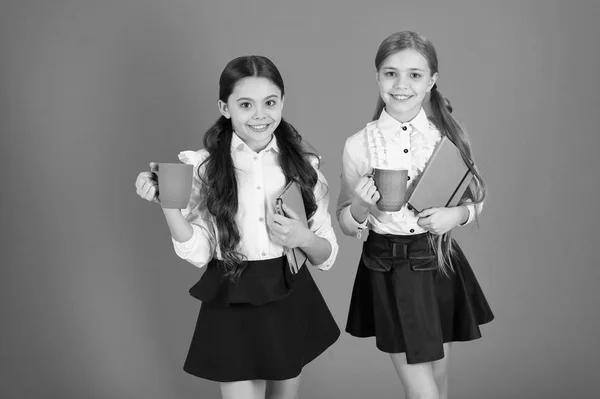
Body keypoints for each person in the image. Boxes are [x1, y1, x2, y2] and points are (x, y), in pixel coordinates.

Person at [135, 55, 340, 399]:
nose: (260, 115)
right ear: (225, 107)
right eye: (245, 104)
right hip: (232, 294)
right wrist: (168, 206)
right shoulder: (202, 167)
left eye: (270, 102)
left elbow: (326, 254)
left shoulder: (304, 168)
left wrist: (302, 237)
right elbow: (200, 253)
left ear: (282, 104)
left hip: (289, 295)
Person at [336, 31, 494, 399]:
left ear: (432, 81)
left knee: (438, 382)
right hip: (387, 268)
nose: (401, 84)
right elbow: (345, 221)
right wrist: (360, 207)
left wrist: (455, 217)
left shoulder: (447, 136)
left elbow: (477, 200)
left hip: (438, 263)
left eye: (415, 75)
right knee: (425, 394)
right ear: (377, 77)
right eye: (390, 73)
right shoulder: (359, 144)